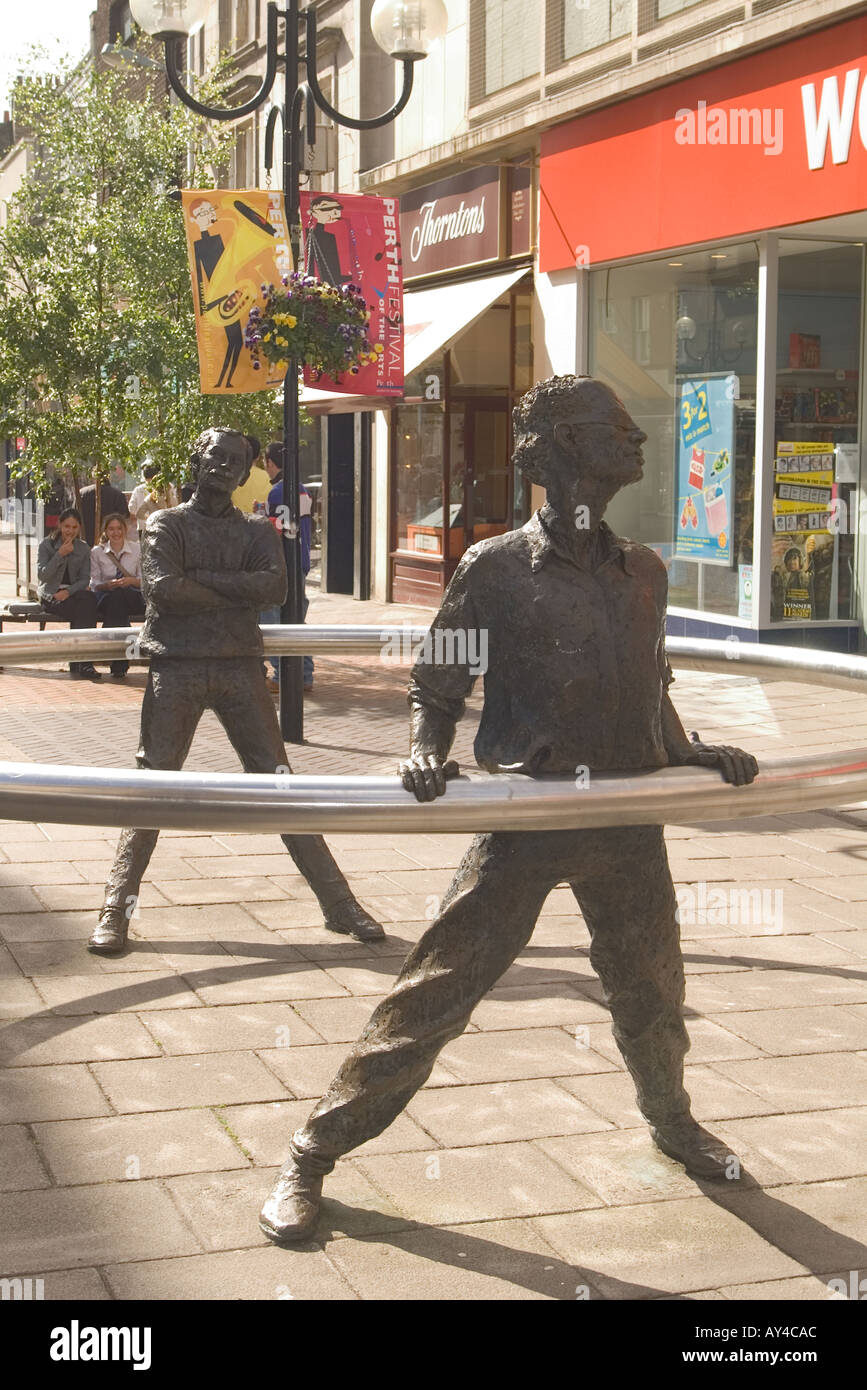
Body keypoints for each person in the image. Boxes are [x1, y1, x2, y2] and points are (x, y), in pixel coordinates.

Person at [259, 375, 760, 1245]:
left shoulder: (643, 567)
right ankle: (310, 1151)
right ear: (565, 446)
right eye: (616, 430)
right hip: (529, 818)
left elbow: (651, 682)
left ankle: (672, 1122)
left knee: (652, 994)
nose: (637, 443)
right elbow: (438, 676)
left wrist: (684, 748)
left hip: (623, 816)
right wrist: (425, 745)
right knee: (434, 995)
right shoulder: (491, 567)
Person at [88, 426, 384, 956]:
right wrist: (229, 587)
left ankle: (339, 905)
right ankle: (116, 909)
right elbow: (163, 590)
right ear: (197, 461)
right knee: (153, 786)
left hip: (240, 669)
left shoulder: (256, 531)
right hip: (175, 668)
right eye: (215, 458)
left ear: (246, 473)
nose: (224, 468)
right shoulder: (165, 523)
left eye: (235, 463)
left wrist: (199, 577)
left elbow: (274, 588)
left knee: (279, 783)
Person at [262, 441, 314, 693]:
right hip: (301, 561)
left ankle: (281, 675)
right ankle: (305, 675)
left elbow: (277, 530)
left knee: (272, 617)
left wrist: (261, 518)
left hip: (281, 564)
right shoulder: (302, 489)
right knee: (296, 619)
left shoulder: (276, 493)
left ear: (271, 463)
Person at [37, 508, 101, 681]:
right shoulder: (46, 545)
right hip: (51, 595)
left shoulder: (83, 548)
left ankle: (81, 661)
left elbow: (84, 579)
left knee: (87, 601)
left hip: (73, 594)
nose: (70, 531)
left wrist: (68, 592)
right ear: (59, 525)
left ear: (79, 528)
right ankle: (84, 663)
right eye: (66, 526)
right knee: (84, 609)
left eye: (74, 527)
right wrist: (59, 555)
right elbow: (43, 576)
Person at [90, 512, 145, 678]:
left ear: (125, 529)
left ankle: (110, 649)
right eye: (111, 529)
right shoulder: (97, 552)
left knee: (121, 594)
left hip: (133, 595)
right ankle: (120, 663)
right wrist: (107, 585)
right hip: (107, 597)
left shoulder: (137, 549)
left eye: (119, 528)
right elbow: (94, 583)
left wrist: (130, 581)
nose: (116, 533)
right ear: (105, 531)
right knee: (116, 596)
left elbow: (145, 580)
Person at [129, 462, 179, 539]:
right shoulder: (170, 488)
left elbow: (132, 510)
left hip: (145, 528)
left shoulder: (140, 491)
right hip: (167, 528)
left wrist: (150, 517)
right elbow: (176, 507)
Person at [77, 478, 130, 547]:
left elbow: (75, 514)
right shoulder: (117, 494)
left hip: (87, 536)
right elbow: (124, 516)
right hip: (110, 538)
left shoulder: (82, 493)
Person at [231, 435, 271, 515]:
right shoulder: (268, 477)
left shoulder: (230, 476)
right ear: (258, 457)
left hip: (234, 524)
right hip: (260, 524)